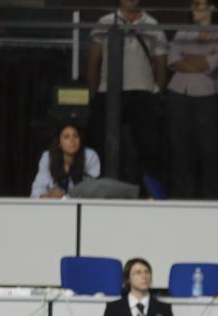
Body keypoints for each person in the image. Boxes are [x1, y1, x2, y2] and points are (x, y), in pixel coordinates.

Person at [87, 0, 168, 187]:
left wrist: (158, 91)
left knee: (148, 148)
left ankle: (149, 192)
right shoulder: (106, 21)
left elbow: (161, 61)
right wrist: (94, 92)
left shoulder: (153, 24)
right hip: (108, 91)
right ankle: (104, 189)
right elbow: (93, 60)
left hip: (143, 92)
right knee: (104, 146)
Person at [166, 0, 218, 199]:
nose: (193, 9)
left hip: (207, 97)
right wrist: (198, 62)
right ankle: (183, 194)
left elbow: (212, 64)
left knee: (208, 148)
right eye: (193, 5)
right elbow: (173, 61)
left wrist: (189, 60)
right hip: (179, 94)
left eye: (199, 5)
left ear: (212, 8)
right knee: (180, 147)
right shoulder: (184, 32)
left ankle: (210, 196)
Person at [31, 124, 102, 199]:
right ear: (59, 143)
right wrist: (46, 196)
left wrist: (64, 197)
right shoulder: (48, 157)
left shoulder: (89, 156)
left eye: (76, 136)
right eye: (66, 137)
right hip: (53, 205)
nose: (72, 140)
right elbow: (37, 189)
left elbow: (92, 191)